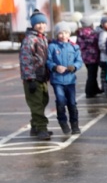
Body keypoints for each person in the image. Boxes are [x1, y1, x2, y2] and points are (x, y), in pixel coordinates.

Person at [19, 10, 52, 140]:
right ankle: (42, 129)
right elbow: (26, 60)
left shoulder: (43, 38)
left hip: (42, 76)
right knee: (36, 104)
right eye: (38, 23)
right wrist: (30, 78)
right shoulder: (30, 40)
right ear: (33, 25)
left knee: (43, 101)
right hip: (33, 78)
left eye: (43, 23)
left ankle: (35, 126)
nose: (41, 26)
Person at [46, 22, 84, 135]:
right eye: (60, 33)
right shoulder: (52, 47)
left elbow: (79, 61)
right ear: (57, 34)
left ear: (69, 34)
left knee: (72, 103)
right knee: (61, 101)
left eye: (66, 33)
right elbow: (48, 61)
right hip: (57, 80)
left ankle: (75, 124)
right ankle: (62, 122)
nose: (63, 35)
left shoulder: (74, 47)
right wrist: (55, 67)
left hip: (70, 80)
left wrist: (74, 67)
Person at [76, 18, 102, 98]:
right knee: (92, 75)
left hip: (85, 57)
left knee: (91, 73)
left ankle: (95, 88)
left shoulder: (80, 33)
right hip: (93, 57)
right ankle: (89, 91)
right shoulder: (91, 33)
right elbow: (96, 42)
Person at [96, 15, 107, 98]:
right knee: (106, 75)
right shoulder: (103, 33)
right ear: (103, 24)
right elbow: (101, 45)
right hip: (105, 59)